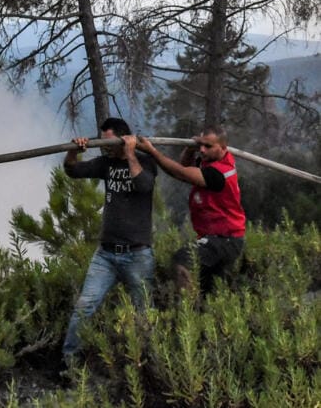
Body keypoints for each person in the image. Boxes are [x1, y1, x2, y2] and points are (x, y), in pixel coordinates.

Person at [61, 117, 157, 365]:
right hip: (105, 255)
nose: (105, 147)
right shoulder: (106, 163)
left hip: (137, 255)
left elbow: (144, 185)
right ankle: (70, 364)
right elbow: (72, 170)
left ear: (123, 139)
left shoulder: (145, 161)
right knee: (84, 307)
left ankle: (148, 363)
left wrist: (130, 153)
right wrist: (74, 151)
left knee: (143, 313)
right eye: (102, 142)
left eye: (109, 141)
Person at [138, 126, 246, 293]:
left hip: (224, 240)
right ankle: (202, 313)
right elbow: (186, 166)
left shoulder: (219, 174)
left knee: (182, 260)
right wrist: (189, 149)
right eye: (200, 145)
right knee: (209, 290)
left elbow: (180, 173)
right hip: (222, 238)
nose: (202, 150)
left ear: (223, 148)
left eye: (208, 146)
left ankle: (186, 309)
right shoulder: (211, 161)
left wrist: (152, 151)